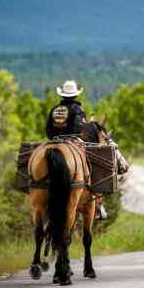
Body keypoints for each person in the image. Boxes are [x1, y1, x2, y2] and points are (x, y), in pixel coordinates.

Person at [45, 80, 108, 220]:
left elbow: (48, 130)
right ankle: (97, 202)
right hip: (74, 141)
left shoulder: (55, 109)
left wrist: (56, 137)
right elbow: (81, 129)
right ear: (75, 95)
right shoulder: (78, 110)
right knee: (92, 162)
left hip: (54, 141)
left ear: (62, 95)